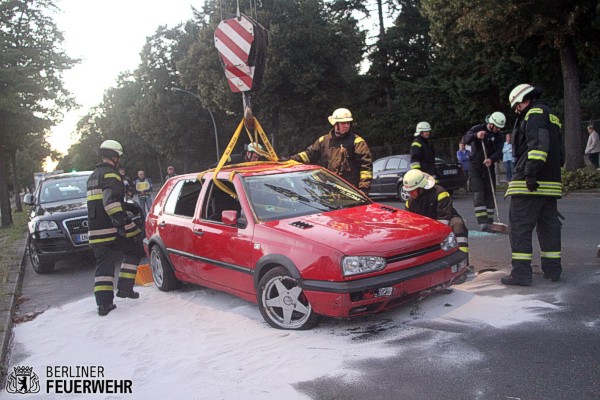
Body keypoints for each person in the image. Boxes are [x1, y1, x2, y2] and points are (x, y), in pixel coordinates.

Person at [502, 84, 563, 286]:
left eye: (517, 106)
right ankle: (553, 270)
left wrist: (530, 173)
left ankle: (521, 274)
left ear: (524, 100)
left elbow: (538, 146)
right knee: (549, 228)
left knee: (519, 227)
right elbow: (558, 152)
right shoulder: (552, 115)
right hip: (550, 183)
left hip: (531, 183)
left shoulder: (535, 113)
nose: (517, 111)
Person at [87, 140, 144, 316]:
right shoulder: (111, 175)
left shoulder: (93, 176)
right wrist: (124, 220)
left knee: (104, 265)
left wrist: (127, 206)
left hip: (96, 229)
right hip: (111, 227)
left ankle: (104, 304)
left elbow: (100, 202)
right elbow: (110, 202)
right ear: (114, 156)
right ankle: (125, 289)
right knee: (136, 246)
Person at [291, 108, 373, 192]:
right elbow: (309, 155)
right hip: (328, 191)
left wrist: (363, 189)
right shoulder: (323, 141)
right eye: (343, 123)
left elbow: (366, 168)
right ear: (335, 124)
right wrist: (289, 160)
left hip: (350, 192)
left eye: (348, 123)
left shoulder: (357, 142)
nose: (347, 126)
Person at [402, 169, 469, 260]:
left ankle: (463, 259)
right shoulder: (410, 202)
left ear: (421, 187)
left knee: (458, 224)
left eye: (412, 190)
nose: (410, 193)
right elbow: (408, 221)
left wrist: (434, 234)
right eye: (408, 191)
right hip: (426, 225)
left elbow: (444, 218)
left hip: (445, 221)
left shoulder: (440, 193)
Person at [462, 112, 505, 231]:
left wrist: (492, 159)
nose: (498, 129)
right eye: (496, 127)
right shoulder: (478, 128)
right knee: (479, 193)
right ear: (491, 124)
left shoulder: (499, 136)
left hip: (488, 166)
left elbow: (500, 151)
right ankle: (482, 222)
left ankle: (490, 221)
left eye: (500, 128)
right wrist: (476, 135)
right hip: (475, 166)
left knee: (490, 192)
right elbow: (465, 138)